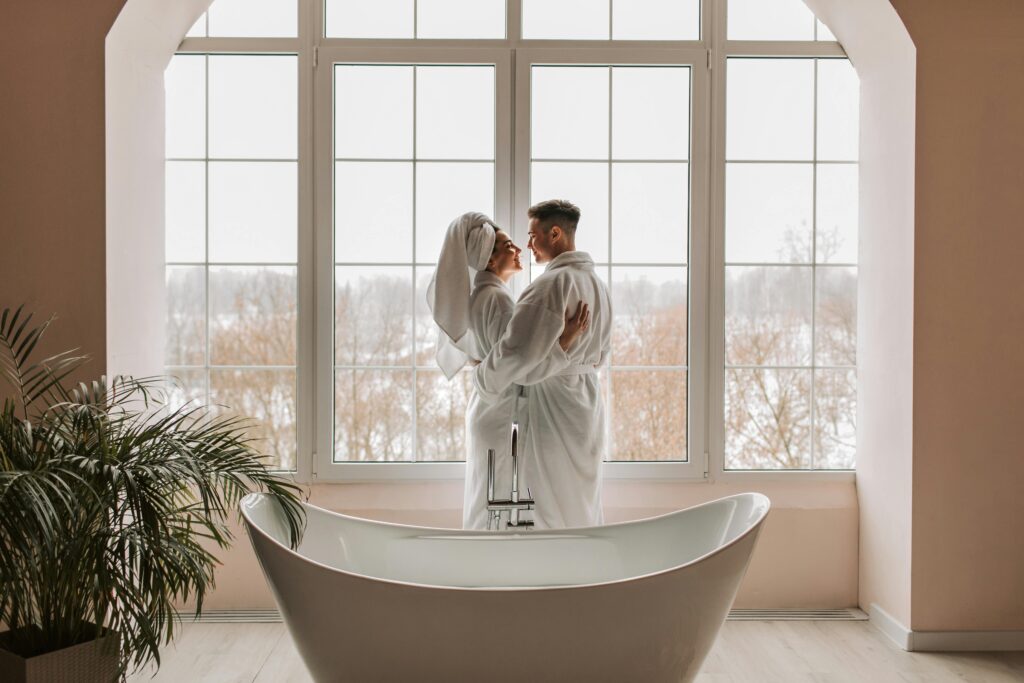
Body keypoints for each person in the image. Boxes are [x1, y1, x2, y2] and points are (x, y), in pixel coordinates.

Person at [426, 212, 589, 530]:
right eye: (508, 245)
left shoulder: (481, 298)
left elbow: (493, 357)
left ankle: (485, 567)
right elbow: (514, 365)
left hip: (488, 410)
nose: (518, 249)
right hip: (501, 412)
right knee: (498, 502)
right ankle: (495, 570)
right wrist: (563, 343)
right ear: (489, 260)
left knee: (486, 501)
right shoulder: (498, 300)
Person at [474, 199, 612, 529]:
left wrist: (483, 375)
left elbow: (516, 356)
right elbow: (601, 355)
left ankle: (556, 575)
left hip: (554, 405)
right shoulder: (598, 286)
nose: (528, 244)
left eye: (533, 235)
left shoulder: (550, 286)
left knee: (550, 503)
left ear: (555, 233)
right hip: (588, 402)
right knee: (580, 498)